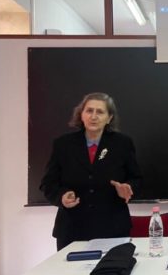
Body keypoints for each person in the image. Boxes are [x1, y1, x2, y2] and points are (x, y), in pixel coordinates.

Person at [40, 92, 142, 250]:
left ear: (109, 118)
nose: (94, 116)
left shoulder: (122, 144)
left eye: (100, 112)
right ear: (81, 115)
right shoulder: (63, 145)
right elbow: (48, 184)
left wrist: (128, 188)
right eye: (89, 111)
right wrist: (62, 196)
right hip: (72, 230)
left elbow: (137, 179)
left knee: (112, 267)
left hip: (113, 228)